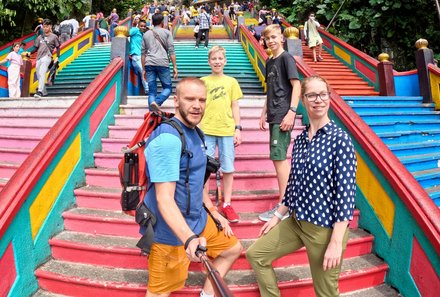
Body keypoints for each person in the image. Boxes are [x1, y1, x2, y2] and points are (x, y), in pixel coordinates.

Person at [246, 75, 357, 297]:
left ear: (329, 98)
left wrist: (336, 241)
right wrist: (278, 216)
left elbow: (345, 196)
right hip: (296, 222)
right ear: (303, 100)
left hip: (323, 230)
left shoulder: (340, 140)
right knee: (256, 255)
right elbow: (294, 184)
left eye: (323, 94)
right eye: (312, 95)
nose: (318, 99)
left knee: (325, 291)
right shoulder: (300, 140)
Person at [143, 77, 242, 297]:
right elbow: (164, 199)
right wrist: (189, 238)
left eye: (202, 100)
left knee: (232, 249)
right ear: (176, 101)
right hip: (171, 232)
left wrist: (214, 212)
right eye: (190, 99)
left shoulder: (196, 133)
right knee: (160, 292)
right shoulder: (168, 139)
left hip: (198, 218)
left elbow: (199, 179)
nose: (197, 105)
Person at [258, 24, 301, 222]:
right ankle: (286, 202)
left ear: (282, 38)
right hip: (274, 113)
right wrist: (263, 112)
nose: (271, 41)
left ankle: (284, 204)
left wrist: (292, 112)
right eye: (268, 38)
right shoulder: (269, 61)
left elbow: (296, 85)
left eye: (274, 37)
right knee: (277, 158)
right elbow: (271, 88)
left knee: (279, 158)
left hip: (283, 114)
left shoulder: (286, 58)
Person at [200, 46, 243, 223]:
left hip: (226, 129)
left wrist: (238, 128)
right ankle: (204, 203)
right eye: (214, 59)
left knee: (228, 167)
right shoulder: (202, 82)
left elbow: (235, 106)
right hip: (206, 129)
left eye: (220, 58)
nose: (217, 61)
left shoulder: (231, 82)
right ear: (209, 61)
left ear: (225, 61)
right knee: (204, 168)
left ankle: (227, 203)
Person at [141, 13, 178, 108]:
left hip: (149, 63)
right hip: (163, 63)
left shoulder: (146, 34)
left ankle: (152, 112)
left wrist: (143, 69)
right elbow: (171, 51)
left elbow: (143, 53)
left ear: (152, 22)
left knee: (152, 91)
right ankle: (157, 102)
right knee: (167, 88)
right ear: (162, 22)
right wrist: (175, 67)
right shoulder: (167, 33)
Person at [30, 19, 60, 98]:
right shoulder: (40, 37)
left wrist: (57, 57)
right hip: (38, 57)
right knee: (38, 74)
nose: (45, 28)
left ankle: (39, 91)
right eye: (44, 27)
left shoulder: (54, 37)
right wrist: (29, 53)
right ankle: (43, 91)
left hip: (47, 56)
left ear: (50, 26)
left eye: (47, 26)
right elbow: (35, 48)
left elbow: (58, 47)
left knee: (42, 72)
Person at [130, 19, 149, 94]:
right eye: (141, 26)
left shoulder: (143, 35)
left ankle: (148, 89)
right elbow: (127, 34)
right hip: (136, 56)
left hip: (142, 57)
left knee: (146, 71)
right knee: (143, 71)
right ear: (138, 26)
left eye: (144, 26)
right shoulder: (135, 30)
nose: (143, 27)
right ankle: (147, 89)